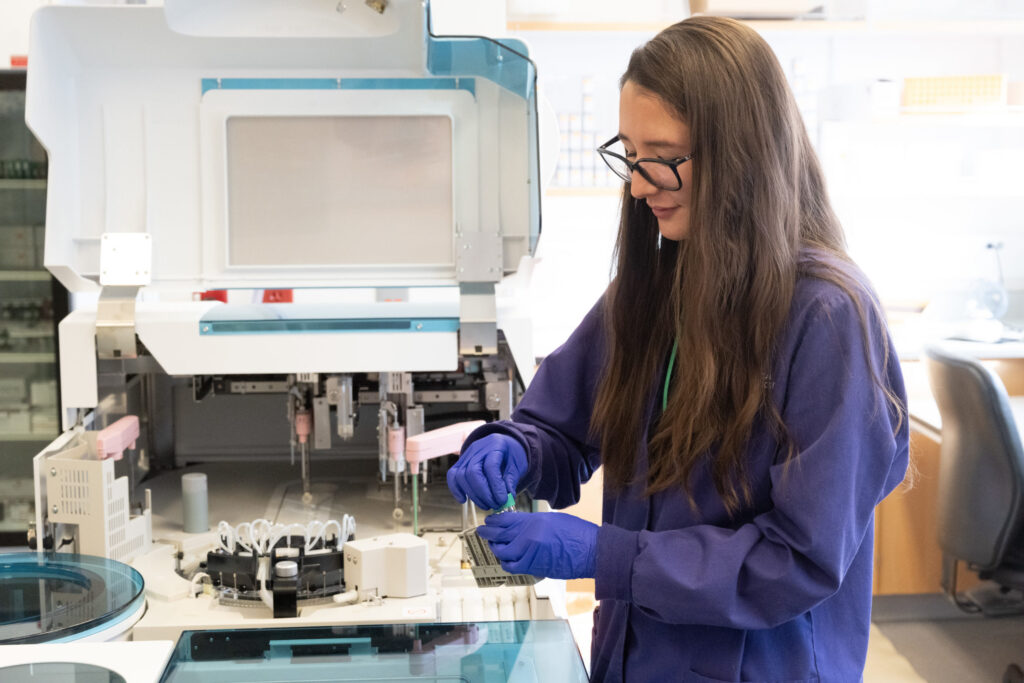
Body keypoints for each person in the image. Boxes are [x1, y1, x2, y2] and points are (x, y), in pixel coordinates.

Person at [447, 15, 909, 683]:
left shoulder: (828, 316)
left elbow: (798, 558)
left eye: (661, 156)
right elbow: (562, 424)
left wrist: (611, 556)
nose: (636, 185)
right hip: (635, 656)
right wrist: (514, 447)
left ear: (742, 152)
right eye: (629, 154)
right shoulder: (657, 284)